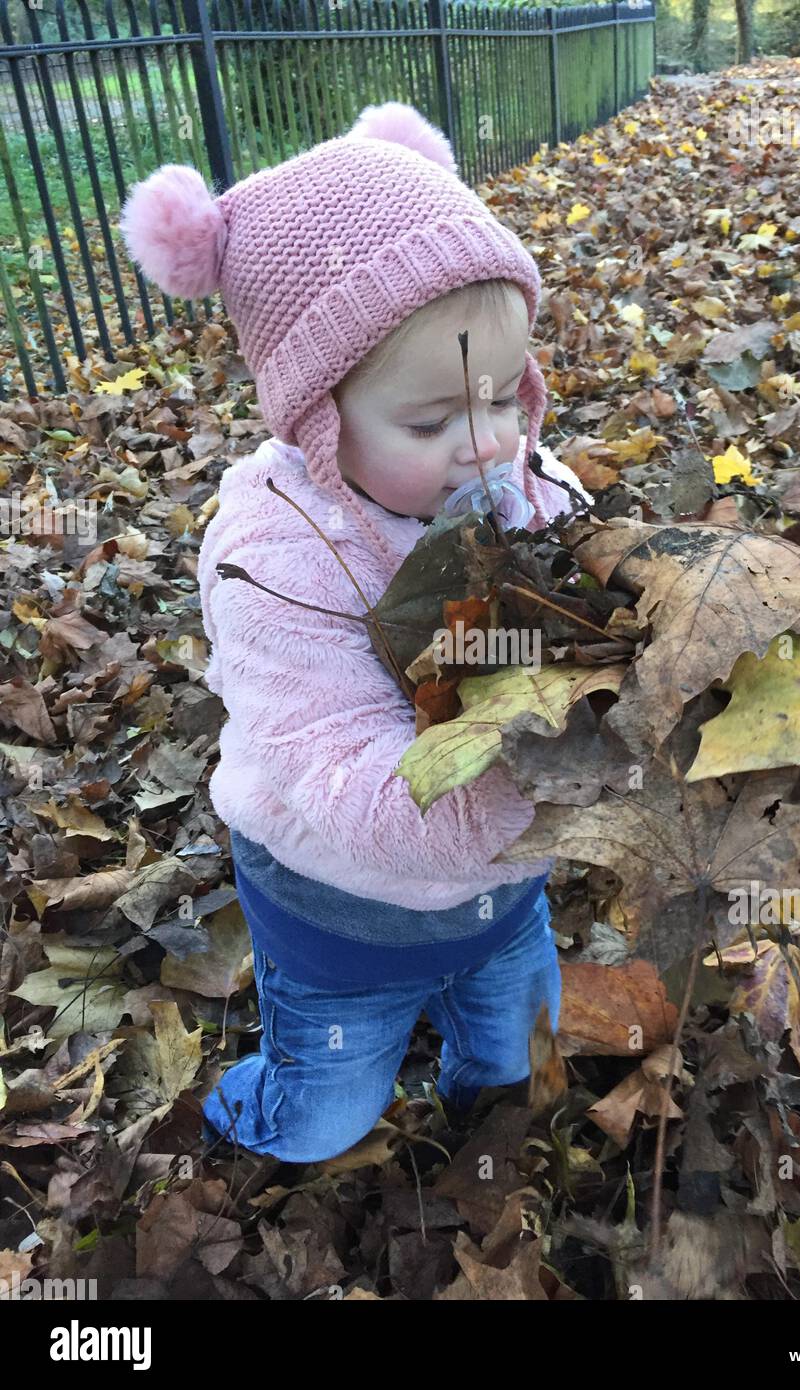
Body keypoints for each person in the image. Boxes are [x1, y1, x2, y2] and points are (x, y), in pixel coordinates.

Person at [119, 101, 593, 1163]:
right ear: (317, 417)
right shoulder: (276, 551)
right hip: (344, 916)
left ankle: (483, 1098)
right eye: (430, 422)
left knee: (514, 1050)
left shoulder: (513, 480)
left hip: (503, 894)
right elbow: (332, 761)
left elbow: (573, 570)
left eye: (504, 398)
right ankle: (257, 1114)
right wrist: (518, 781)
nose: (486, 445)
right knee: (328, 1112)